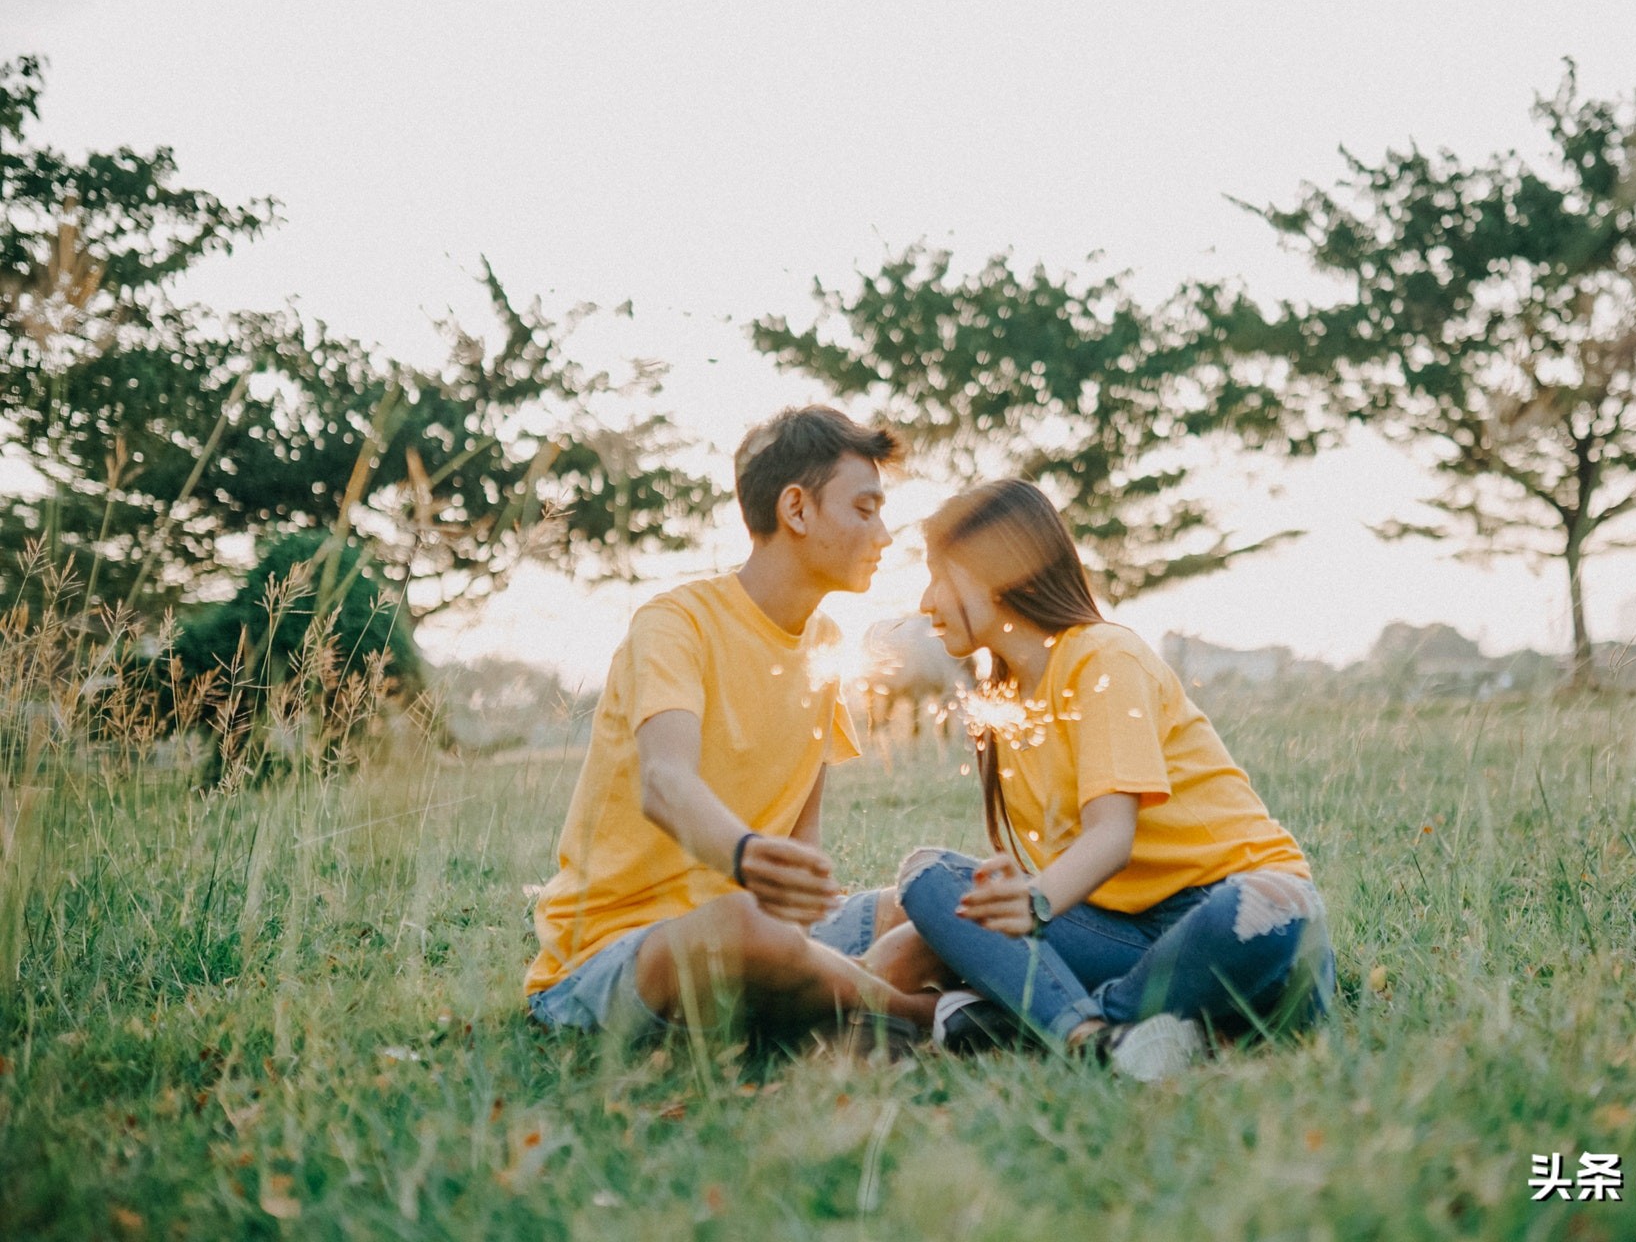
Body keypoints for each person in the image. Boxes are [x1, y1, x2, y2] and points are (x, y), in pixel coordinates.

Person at [871, 478, 1335, 1079]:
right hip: (1123, 938)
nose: (927, 602)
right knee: (931, 877)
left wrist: (1033, 902)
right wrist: (1010, 890)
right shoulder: (1002, 702)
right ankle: (1099, 1039)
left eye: (942, 575)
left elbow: (1110, 836)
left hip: (1229, 909)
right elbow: (1064, 872)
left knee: (1260, 911)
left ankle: (1039, 1024)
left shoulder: (1103, 657)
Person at [524, 405, 936, 1047]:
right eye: (864, 509)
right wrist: (746, 860)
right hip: (612, 957)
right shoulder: (674, 624)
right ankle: (918, 1016)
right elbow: (665, 782)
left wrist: (814, 911)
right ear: (796, 510)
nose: (884, 534)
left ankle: (832, 987)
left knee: (934, 904)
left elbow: (804, 847)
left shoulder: (824, 644)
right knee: (744, 928)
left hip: (768, 932)